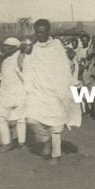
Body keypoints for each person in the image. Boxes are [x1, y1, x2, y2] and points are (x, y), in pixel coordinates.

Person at [23, 19, 82, 164]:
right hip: (38, 90)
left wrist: (70, 56)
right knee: (31, 118)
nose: (40, 34)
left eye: (43, 32)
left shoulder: (57, 46)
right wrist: (25, 52)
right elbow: (26, 66)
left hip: (56, 90)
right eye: (38, 32)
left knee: (56, 123)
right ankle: (45, 140)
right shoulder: (32, 47)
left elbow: (65, 65)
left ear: (48, 32)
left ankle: (56, 155)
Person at [0, 37, 27, 151]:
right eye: (4, 46)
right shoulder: (6, 60)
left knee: (20, 118)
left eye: (7, 47)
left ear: (14, 48)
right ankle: (7, 142)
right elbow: (6, 77)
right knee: (1, 117)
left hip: (19, 92)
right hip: (6, 93)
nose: (5, 49)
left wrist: (22, 49)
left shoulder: (20, 56)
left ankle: (21, 142)